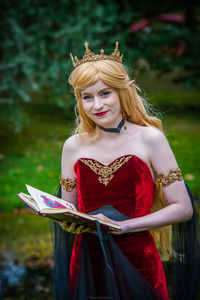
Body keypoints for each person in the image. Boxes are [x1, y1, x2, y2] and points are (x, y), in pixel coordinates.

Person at [52, 42, 199, 300]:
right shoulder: (73, 146)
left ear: (123, 92)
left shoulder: (150, 139)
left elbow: (184, 208)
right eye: (87, 97)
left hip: (138, 260)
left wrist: (126, 226)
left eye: (105, 93)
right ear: (80, 100)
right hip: (88, 262)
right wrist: (60, 216)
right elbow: (70, 209)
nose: (97, 105)